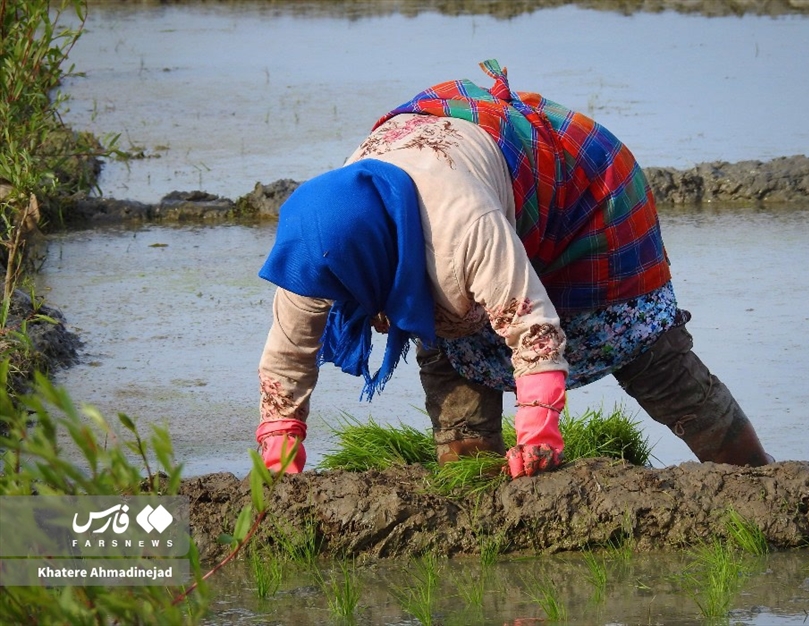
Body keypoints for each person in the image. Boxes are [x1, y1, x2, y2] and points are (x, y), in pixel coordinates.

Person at [255, 59, 774, 478]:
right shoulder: (320, 243)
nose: (337, 302)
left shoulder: (459, 228)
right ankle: (479, 494)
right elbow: (288, 355)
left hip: (584, 197)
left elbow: (534, 331)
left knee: (653, 361)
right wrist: (279, 457)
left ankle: (760, 482)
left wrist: (539, 428)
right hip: (470, 196)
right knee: (447, 352)